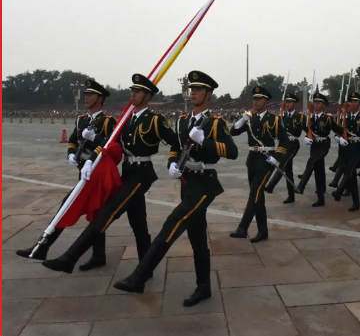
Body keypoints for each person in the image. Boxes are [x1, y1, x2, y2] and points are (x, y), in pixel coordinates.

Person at [112, 71, 238, 307]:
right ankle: (204, 287)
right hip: (187, 182)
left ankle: (139, 276)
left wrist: (205, 141)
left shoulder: (215, 122)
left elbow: (232, 152)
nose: (193, 93)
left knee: (173, 223)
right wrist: (172, 162)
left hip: (205, 183)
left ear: (209, 95)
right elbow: (176, 147)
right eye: (192, 89)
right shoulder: (182, 121)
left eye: (199, 90)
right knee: (197, 236)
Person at [42, 74, 179, 274]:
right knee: (138, 222)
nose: (133, 93)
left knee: (108, 212)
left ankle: (70, 257)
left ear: (147, 96)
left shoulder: (155, 120)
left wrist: (173, 160)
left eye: (138, 91)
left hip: (142, 174)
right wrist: (90, 153)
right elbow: (109, 143)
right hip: (128, 172)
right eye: (132, 90)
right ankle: (146, 268)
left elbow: (176, 141)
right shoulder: (126, 119)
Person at [16, 80, 116, 271]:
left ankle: (42, 247)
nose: (86, 97)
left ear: (100, 99)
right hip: (83, 173)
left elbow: (111, 144)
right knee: (95, 215)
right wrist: (70, 153)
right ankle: (98, 255)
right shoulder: (81, 120)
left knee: (67, 206)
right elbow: (72, 140)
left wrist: (95, 138)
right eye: (85, 94)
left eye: (90, 95)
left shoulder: (108, 121)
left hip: (98, 175)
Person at [229, 86, 290, 243]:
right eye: (254, 99)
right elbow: (233, 132)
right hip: (252, 160)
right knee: (258, 197)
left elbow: (284, 140)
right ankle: (263, 231)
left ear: (266, 101)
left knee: (254, 194)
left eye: (259, 99)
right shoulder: (251, 119)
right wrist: (242, 119)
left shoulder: (274, 119)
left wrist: (277, 157)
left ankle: (243, 227)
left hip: (266, 160)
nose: (256, 102)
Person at [295, 92, 341, 207]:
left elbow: (339, 130)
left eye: (319, 103)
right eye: (315, 102)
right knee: (318, 171)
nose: (316, 105)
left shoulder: (327, 119)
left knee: (311, 162)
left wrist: (339, 137)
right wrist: (307, 138)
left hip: (323, 145)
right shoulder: (308, 118)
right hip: (314, 146)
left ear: (323, 105)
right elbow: (307, 131)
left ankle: (301, 186)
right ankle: (321, 198)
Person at [331, 92, 360, 212]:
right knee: (351, 176)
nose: (352, 104)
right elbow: (338, 132)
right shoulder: (344, 118)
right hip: (346, 149)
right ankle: (356, 203)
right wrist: (338, 138)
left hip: (359, 149)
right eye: (351, 102)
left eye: (355, 102)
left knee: (349, 170)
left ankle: (339, 190)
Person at [265, 93, 303, 204]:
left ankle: (270, 186)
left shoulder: (299, 116)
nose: (287, 104)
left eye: (290, 102)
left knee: (282, 164)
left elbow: (308, 128)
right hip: (283, 144)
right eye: (286, 101)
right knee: (288, 170)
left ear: (294, 103)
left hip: (293, 144)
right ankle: (291, 196)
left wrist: (310, 137)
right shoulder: (282, 116)